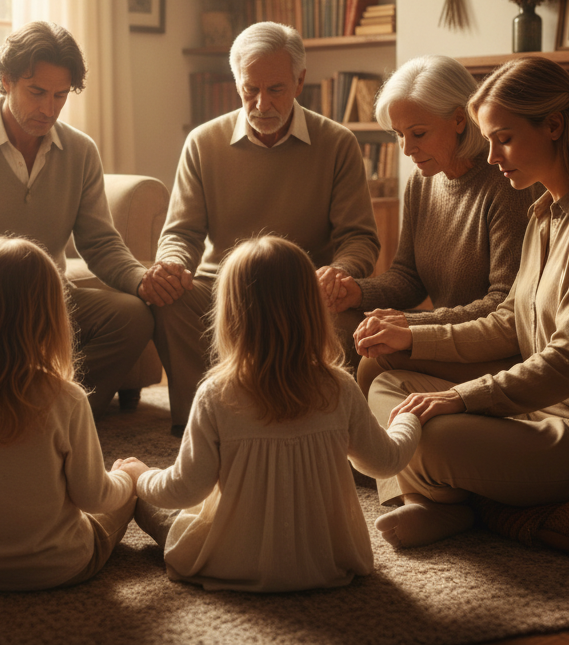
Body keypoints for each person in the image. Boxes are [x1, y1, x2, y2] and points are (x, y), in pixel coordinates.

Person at [358, 56, 569, 550]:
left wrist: (459, 397)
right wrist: (413, 336)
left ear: (553, 126)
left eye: (503, 139)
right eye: (488, 141)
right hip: (539, 412)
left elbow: (567, 360)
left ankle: (442, 498)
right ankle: (439, 503)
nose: (491, 157)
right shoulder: (545, 209)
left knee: (426, 437)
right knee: (389, 384)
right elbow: (509, 319)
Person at [128, 236, 420, 592]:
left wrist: (141, 477)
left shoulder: (216, 395)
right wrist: (409, 418)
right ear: (312, 310)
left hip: (230, 563)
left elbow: (185, 488)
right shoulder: (339, 388)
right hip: (328, 563)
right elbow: (384, 462)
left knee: (154, 509)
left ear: (230, 315)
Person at [143, 21, 380, 435]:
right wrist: (173, 264)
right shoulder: (202, 142)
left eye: (275, 89)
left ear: (300, 81)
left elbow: (359, 238)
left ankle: (316, 423)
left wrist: (341, 271)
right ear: (236, 82)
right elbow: (181, 233)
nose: (261, 104)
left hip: (307, 289)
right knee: (171, 300)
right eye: (250, 89)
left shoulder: (338, 142)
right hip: (222, 286)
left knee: (348, 316)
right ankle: (200, 423)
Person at [0, 21, 153, 415]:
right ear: (5, 81)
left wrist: (142, 280)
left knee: (132, 317)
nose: (49, 109)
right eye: (37, 92)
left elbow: (101, 243)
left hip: (51, 298)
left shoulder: (80, 151)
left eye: (60, 96)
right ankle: (13, 415)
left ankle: (60, 416)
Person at [0, 237, 141, 590]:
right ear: (52, 317)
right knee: (126, 490)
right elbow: (93, 497)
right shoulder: (67, 399)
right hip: (59, 564)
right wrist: (127, 478)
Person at [325, 56, 538, 393]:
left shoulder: (505, 183)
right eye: (398, 135)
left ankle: (380, 445)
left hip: (497, 348)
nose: (408, 149)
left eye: (419, 133)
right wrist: (357, 292)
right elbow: (408, 278)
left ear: (458, 119)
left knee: (373, 359)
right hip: (444, 334)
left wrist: (409, 325)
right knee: (339, 325)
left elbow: (501, 303)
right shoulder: (422, 182)